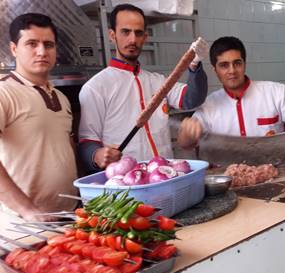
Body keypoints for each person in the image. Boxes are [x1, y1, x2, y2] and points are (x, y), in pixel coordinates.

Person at [0, 13, 78, 221]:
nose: (41, 51)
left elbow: (65, 151)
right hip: (24, 223)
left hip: (70, 217)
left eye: (48, 45)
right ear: (14, 49)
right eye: (31, 43)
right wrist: (28, 210)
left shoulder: (61, 98)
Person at [78, 4, 209, 172]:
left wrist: (195, 65)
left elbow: (192, 98)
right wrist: (96, 155)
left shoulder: (158, 81)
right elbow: (87, 141)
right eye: (125, 32)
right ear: (112, 35)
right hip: (127, 183)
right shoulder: (95, 87)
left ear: (145, 37)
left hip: (165, 174)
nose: (132, 39)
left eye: (138, 33)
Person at [177, 36, 285, 148]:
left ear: (244, 64)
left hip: (275, 172)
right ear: (215, 70)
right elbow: (185, 144)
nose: (232, 71)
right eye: (224, 65)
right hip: (229, 178)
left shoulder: (273, 92)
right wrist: (187, 132)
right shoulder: (209, 105)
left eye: (237, 63)